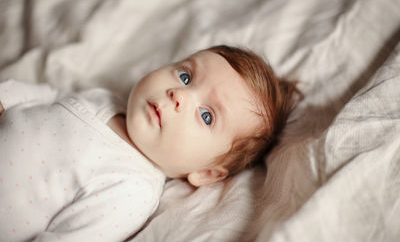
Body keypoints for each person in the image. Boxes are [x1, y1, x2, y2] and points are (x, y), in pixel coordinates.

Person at [0, 45, 299, 241]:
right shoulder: (105, 99)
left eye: (207, 116)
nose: (179, 95)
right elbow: (49, 96)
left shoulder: (131, 190)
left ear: (207, 172)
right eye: (185, 76)